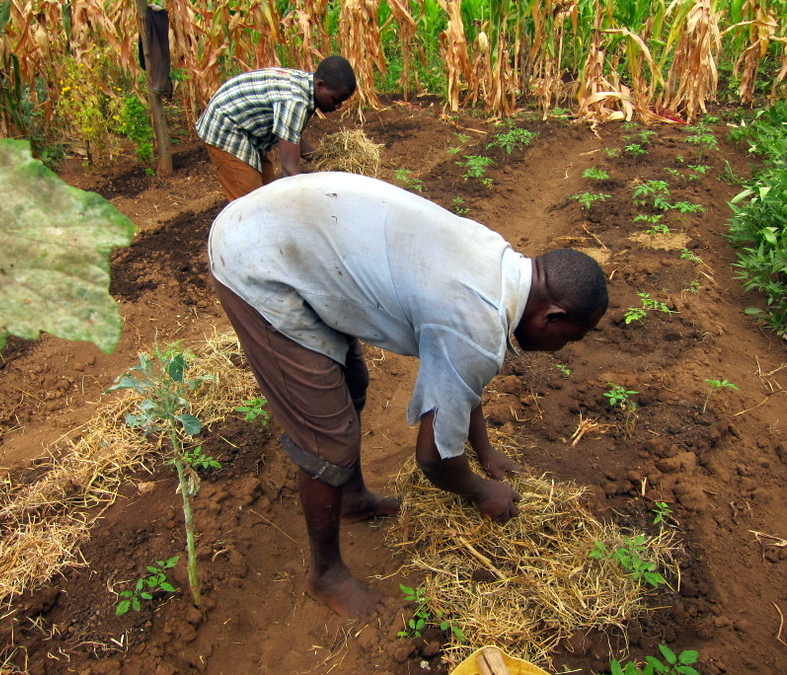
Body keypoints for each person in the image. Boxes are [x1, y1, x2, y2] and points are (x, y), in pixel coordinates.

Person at [208, 172, 608, 619]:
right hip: (257, 257)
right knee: (328, 439)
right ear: (552, 317)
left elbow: (461, 377)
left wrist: (485, 450)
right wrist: (481, 491)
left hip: (296, 224)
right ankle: (327, 575)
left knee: (351, 384)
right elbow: (434, 458)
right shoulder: (476, 323)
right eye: (570, 340)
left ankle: (353, 498)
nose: (562, 350)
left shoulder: (502, 265)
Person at [196, 56, 356, 201]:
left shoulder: (308, 87)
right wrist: (316, 199)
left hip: (252, 134)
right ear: (320, 85)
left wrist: (323, 158)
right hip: (227, 127)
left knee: (268, 194)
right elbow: (289, 169)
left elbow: (292, 136)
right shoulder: (296, 101)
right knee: (251, 204)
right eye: (336, 99)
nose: (338, 106)